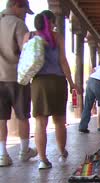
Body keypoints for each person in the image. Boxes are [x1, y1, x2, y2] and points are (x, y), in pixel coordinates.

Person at [25, 10, 79, 169]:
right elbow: (63, 61)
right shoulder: (57, 37)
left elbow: (25, 61)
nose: (55, 24)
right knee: (60, 121)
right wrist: (71, 82)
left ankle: (43, 160)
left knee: (40, 122)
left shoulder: (29, 37)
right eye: (54, 21)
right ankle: (62, 152)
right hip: (57, 81)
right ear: (50, 22)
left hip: (38, 83)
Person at [0, 0, 36, 167]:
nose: (24, 14)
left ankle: (3, 154)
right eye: (24, 10)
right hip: (16, 77)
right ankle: (24, 151)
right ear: (16, 5)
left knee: (1, 118)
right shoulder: (18, 24)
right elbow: (27, 52)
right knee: (22, 116)